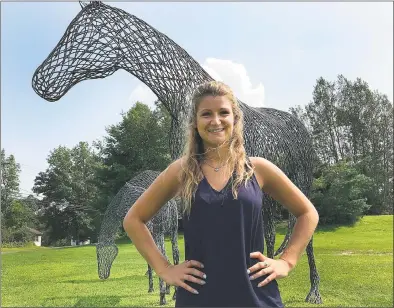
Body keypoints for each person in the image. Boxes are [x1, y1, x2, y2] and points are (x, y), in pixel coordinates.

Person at [123, 81, 319, 307]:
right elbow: (134, 220)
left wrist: (287, 261)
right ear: (195, 123)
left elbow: (307, 213)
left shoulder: (258, 169)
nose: (215, 121)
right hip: (199, 298)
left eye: (223, 113)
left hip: (257, 297)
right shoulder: (181, 171)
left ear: (235, 119)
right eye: (206, 114)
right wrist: (164, 269)